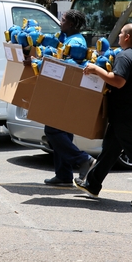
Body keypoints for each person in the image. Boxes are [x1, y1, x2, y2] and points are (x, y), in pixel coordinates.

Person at [73, 23, 132, 207]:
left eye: (122, 33)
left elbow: (118, 81)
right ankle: (92, 184)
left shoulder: (124, 56)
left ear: (128, 37)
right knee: (111, 149)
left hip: (125, 111)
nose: (119, 36)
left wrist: (96, 70)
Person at [41, 10, 95, 186]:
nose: (60, 22)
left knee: (52, 130)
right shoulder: (66, 39)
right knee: (62, 133)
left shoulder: (76, 41)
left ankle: (83, 159)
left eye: (63, 20)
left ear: (71, 24)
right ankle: (64, 175)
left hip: (67, 95)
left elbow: (71, 69)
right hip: (61, 92)